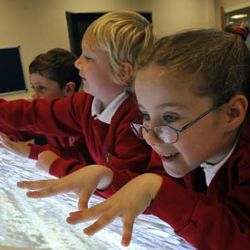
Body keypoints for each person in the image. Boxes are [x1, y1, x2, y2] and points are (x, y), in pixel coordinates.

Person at [18, 29, 250, 249]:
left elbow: (239, 239)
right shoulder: (175, 147)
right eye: (146, 115)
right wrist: (107, 178)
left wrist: (156, 189)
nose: (149, 136)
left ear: (232, 114)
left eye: (170, 117)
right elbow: (144, 192)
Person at [0, 11, 156, 193]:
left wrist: (58, 166)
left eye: (88, 57)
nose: (77, 63)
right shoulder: (87, 104)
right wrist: (32, 151)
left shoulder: (136, 119)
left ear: (122, 72)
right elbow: (35, 114)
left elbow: (120, 186)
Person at [0, 48, 87, 175]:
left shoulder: (83, 119)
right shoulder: (44, 119)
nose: (35, 95)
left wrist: (30, 151)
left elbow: (78, 157)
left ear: (68, 89)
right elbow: (20, 130)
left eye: (41, 88)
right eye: (33, 88)